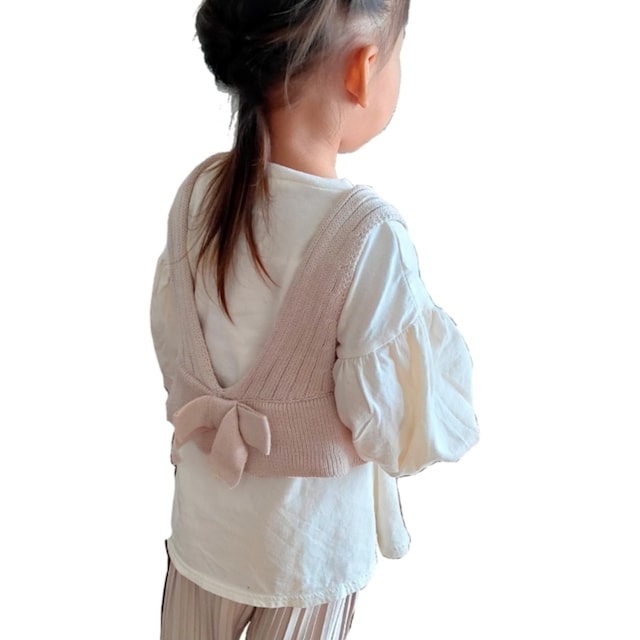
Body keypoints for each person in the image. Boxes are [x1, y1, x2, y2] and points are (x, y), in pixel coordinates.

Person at [150, 1, 479, 638]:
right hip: (305, 560)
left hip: (202, 541)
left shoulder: (196, 197)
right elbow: (401, 427)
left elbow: (173, 348)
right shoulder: (367, 238)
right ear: (364, 70)